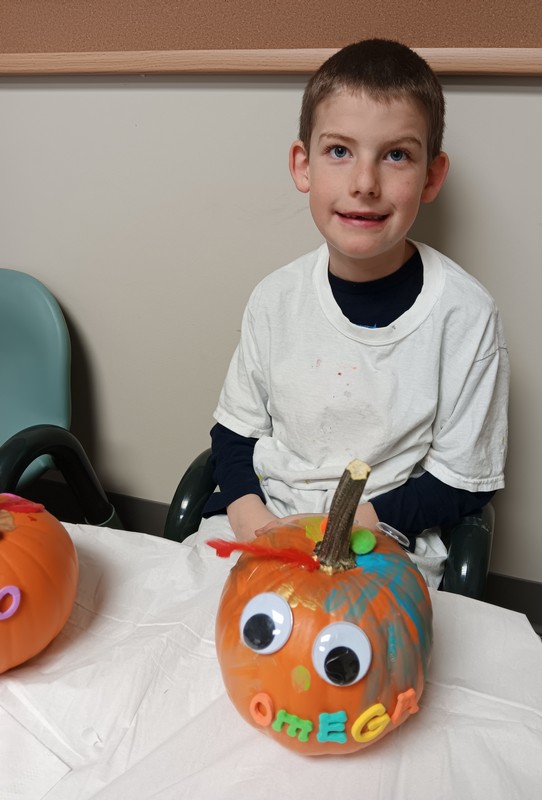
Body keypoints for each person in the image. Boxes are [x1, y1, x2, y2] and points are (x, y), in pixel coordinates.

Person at [189, 39, 509, 587]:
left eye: (396, 155)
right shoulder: (275, 298)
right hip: (263, 524)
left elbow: (461, 479)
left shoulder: (465, 315)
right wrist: (252, 518)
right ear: (303, 165)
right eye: (339, 151)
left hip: (381, 543)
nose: (364, 183)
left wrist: (352, 526)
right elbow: (235, 434)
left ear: (432, 176)